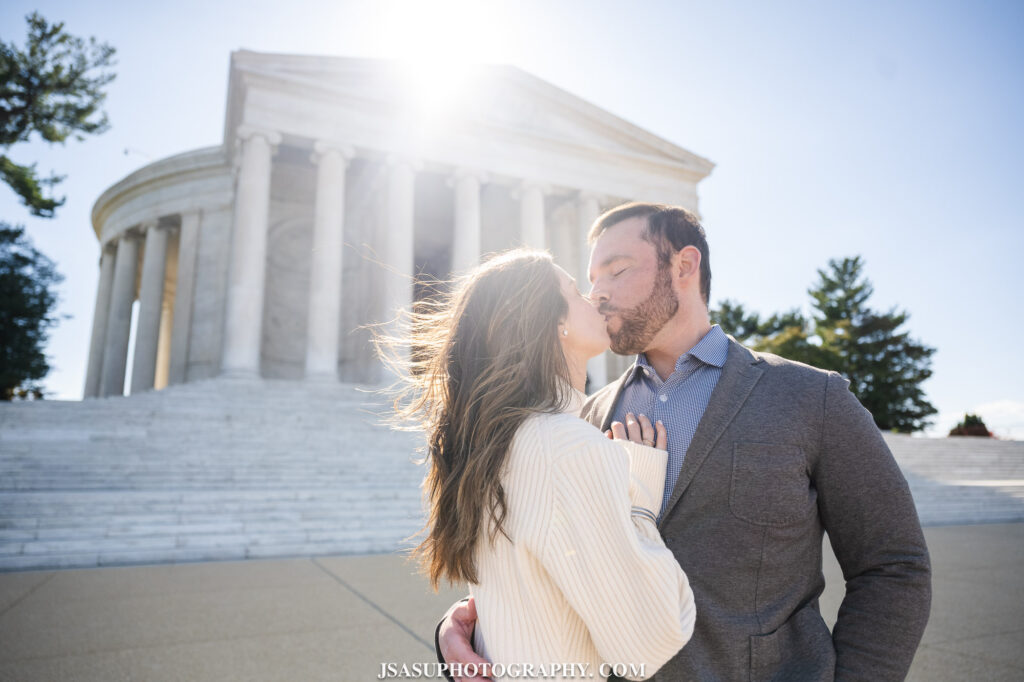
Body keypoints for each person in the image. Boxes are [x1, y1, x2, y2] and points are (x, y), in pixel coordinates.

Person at [435, 203, 932, 681]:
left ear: (684, 265)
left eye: (616, 270)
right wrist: (462, 626)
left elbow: (894, 566)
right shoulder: (576, 421)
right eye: (589, 280)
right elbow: (545, 577)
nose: (597, 293)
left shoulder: (812, 396)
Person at [382, 249, 697, 681]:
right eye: (574, 290)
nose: (595, 297)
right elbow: (645, 645)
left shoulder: (494, 443)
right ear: (554, 325)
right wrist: (640, 503)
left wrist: (452, 628)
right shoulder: (565, 446)